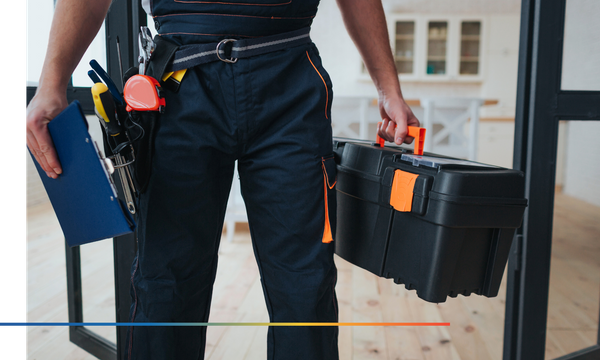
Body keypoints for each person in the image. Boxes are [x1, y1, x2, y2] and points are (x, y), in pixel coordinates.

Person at [24, 0, 420, 359]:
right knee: (166, 285)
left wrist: (389, 89)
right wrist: (51, 83)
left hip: (290, 82)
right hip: (178, 84)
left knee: (305, 287)